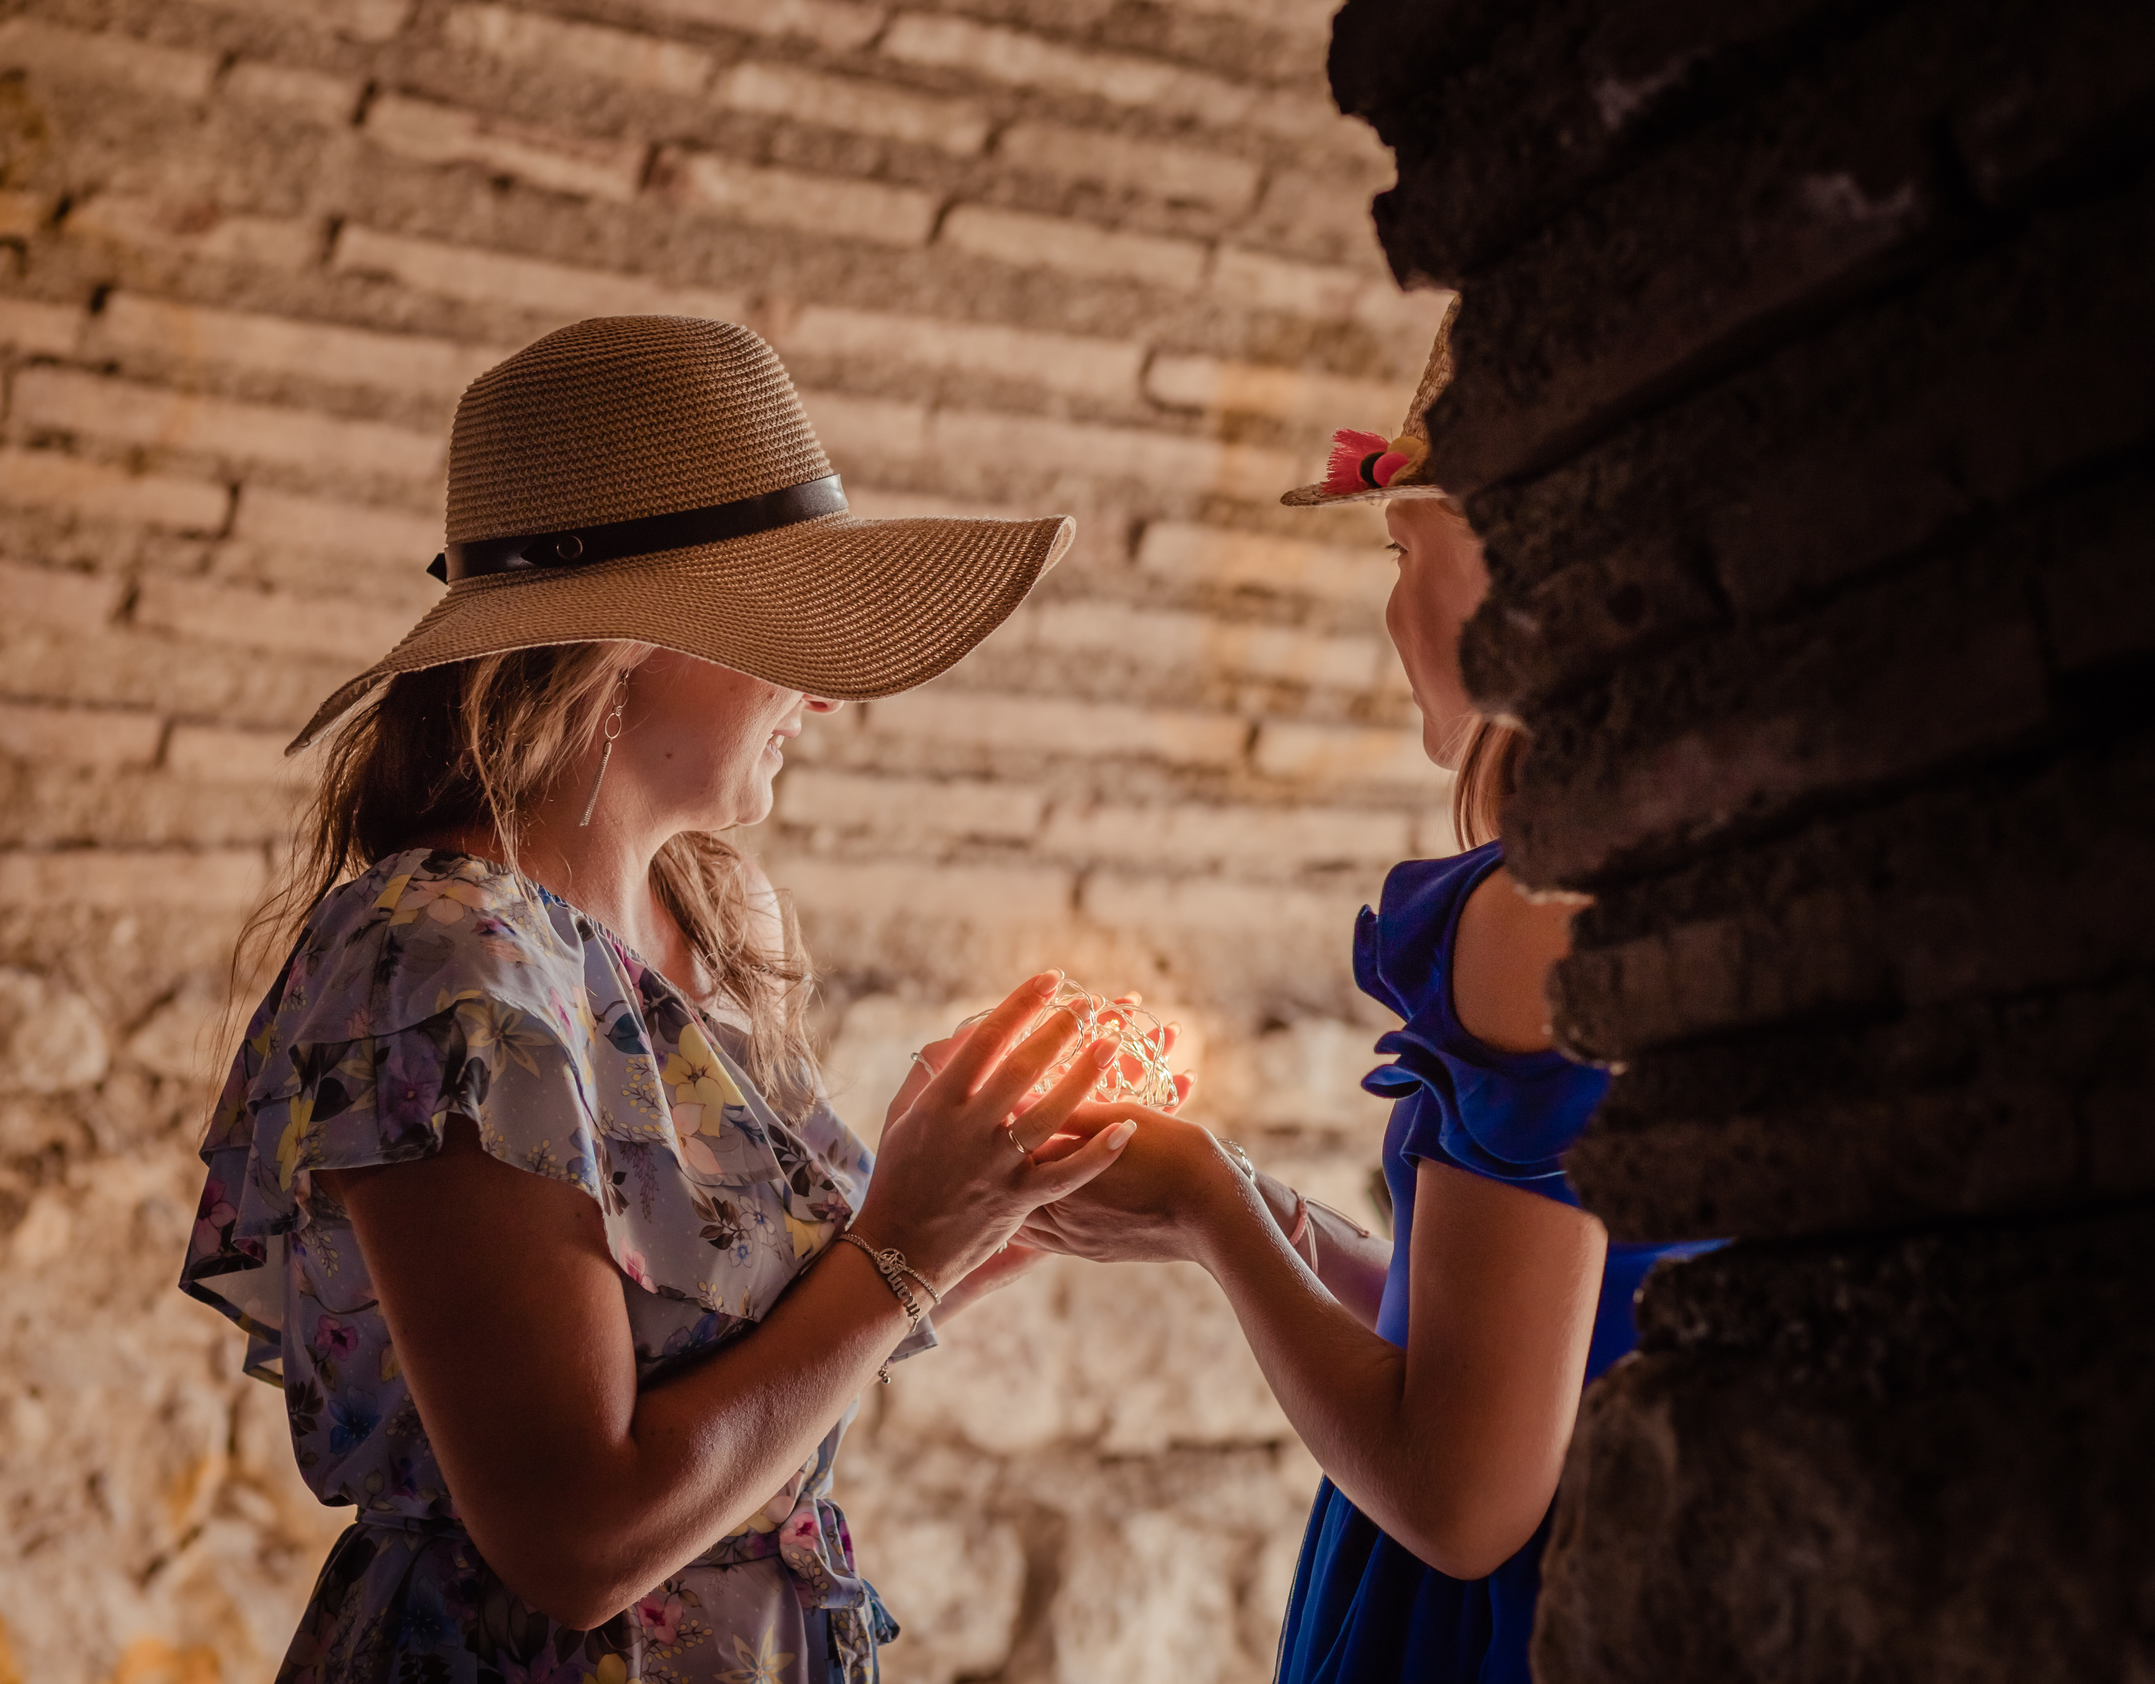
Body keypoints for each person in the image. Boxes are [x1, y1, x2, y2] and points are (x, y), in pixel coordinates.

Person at [177, 316, 1152, 1684]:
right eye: (779, 629)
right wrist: (901, 1258)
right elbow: (576, 1542)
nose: (818, 694)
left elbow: (742, 1368)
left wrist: (980, 1220)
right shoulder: (440, 958)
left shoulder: (716, 917)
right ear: (629, 641)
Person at [1010, 309, 1722, 1683]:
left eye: (1406, 555)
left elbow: (1462, 1500)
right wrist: (1275, 1221)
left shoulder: (1535, 914)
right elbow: (1548, 1326)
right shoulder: (1702, 869)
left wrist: (1214, 1215)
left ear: (1522, 570)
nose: (1392, 611)